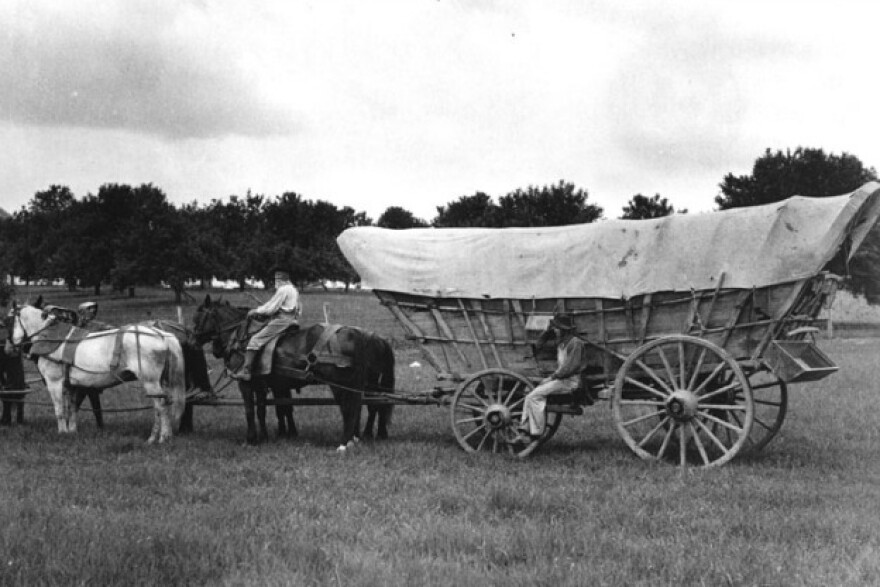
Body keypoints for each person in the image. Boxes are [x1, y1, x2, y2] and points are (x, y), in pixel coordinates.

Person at [514, 313, 588, 442]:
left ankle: (535, 432)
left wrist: (551, 378)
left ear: (564, 330)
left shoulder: (575, 343)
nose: (555, 330)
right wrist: (547, 331)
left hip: (570, 382)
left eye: (556, 328)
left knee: (534, 396)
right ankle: (525, 427)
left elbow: (570, 368)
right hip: (562, 380)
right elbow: (538, 345)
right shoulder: (562, 343)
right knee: (529, 393)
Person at [232, 267, 301, 381]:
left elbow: (271, 307)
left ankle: (246, 372)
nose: (275, 282)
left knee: (255, 340)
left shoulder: (283, 289)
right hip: (292, 320)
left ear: (280, 279)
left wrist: (256, 311)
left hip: (282, 321)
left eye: (276, 279)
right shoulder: (294, 289)